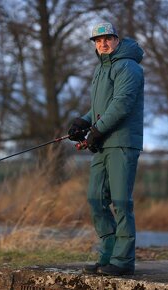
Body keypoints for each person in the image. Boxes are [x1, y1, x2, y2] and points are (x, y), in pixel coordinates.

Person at [68, 22, 144, 276]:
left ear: (116, 39)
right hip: (103, 142)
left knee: (121, 202)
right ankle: (108, 255)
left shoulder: (129, 67)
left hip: (122, 142)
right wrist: (84, 122)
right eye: (98, 40)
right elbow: (100, 106)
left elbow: (121, 104)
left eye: (107, 38)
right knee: (95, 199)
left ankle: (123, 261)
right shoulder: (101, 70)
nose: (103, 43)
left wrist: (96, 130)